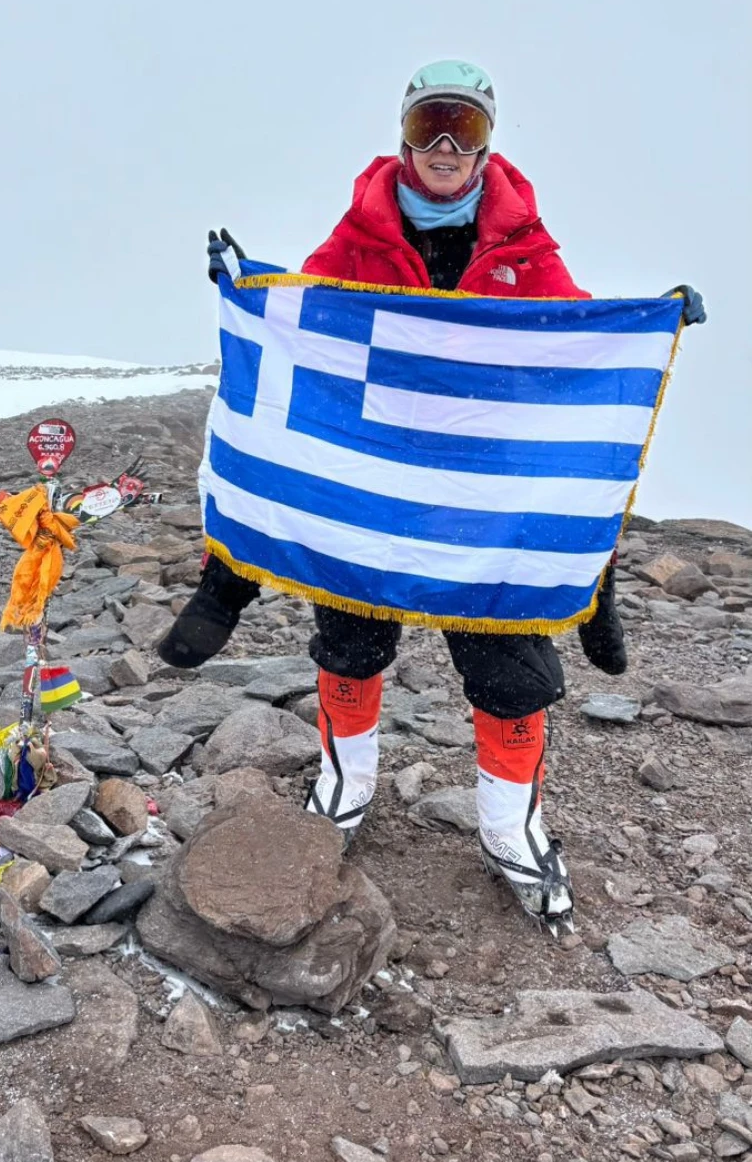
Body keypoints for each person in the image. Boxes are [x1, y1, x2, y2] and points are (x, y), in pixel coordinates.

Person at [158, 60, 706, 934]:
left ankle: (508, 826)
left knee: (512, 666)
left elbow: (568, 353)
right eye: (428, 127)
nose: (446, 146)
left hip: (476, 495)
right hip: (373, 486)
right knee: (350, 637)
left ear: (489, 140)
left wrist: (648, 322)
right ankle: (348, 783)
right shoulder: (357, 235)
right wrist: (246, 289)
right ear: (403, 134)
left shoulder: (525, 245)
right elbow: (308, 343)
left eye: (465, 128)